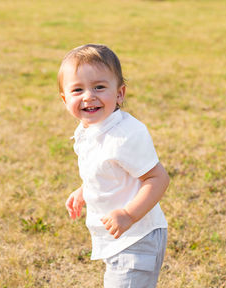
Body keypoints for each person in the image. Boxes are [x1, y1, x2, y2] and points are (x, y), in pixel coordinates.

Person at [59, 44, 170, 288]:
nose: (89, 96)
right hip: (117, 237)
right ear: (65, 99)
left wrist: (129, 214)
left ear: (119, 94)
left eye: (99, 87)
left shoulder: (126, 135)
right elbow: (106, 169)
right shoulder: (89, 129)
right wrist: (84, 190)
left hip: (138, 238)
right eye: (78, 90)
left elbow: (158, 178)